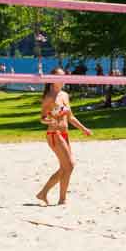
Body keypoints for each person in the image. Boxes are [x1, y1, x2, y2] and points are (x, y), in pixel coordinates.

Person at [37, 67, 92, 205]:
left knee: (66, 167)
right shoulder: (49, 97)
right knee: (70, 165)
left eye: (64, 77)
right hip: (54, 133)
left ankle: (61, 199)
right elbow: (42, 118)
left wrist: (83, 129)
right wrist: (48, 120)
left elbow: (71, 117)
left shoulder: (64, 95)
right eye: (60, 77)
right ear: (52, 79)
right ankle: (44, 193)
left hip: (64, 133)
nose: (63, 80)